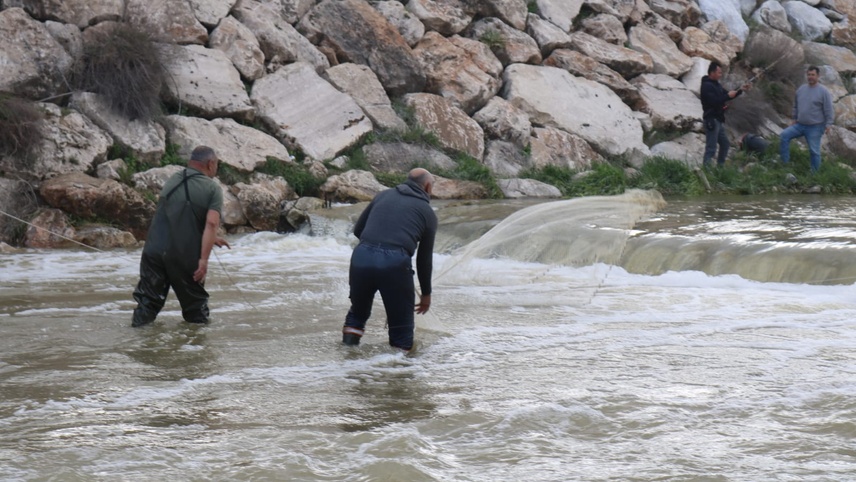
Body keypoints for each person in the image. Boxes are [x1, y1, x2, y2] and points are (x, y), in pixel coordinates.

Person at [132, 146, 230, 327]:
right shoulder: (212, 188)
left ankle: (139, 346)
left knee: (147, 304)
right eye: (217, 164)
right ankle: (195, 351)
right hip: (183, 256)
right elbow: (211, 223)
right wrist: (203, 261)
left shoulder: (173, 180)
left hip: (153, 253)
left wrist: (211, 239)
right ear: (210, 164)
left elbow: (175, 218)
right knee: (196, 312)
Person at [341, 168, 438, 352]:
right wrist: (426, 294)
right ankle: (397, 373)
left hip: (361, 257)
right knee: (401, 327)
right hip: (395, 263)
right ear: (426, 186)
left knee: (358, 313)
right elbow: (424, 260)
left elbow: (357, 231)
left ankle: (348, 355)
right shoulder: (427, 213)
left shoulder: (382, 196)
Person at [779, 66, 835, 173]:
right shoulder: (801, 89)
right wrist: (794, 118)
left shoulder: (823, 91)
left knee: (814, 151)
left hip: (815, 126)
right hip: (800, 125)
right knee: (784, 136)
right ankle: (784, 165)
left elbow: (828, 109)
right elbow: (795, 105)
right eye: (809, 75)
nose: (810, 77)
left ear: (818, 76)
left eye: (813, 75)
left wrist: (828, 124)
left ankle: (815, 174)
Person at [700, 62, 751, 168]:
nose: (721, 75)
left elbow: (727, 95)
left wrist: (740, 90)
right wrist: (727, 96)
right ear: (712, 73)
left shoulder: (716, 85)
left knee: (725, 144)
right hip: (711, 120)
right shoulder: (706, 86)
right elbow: (714, 101)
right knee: (711, 148)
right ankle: (706, 171)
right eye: (719, 73)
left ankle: (720, 167)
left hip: (719, 120)